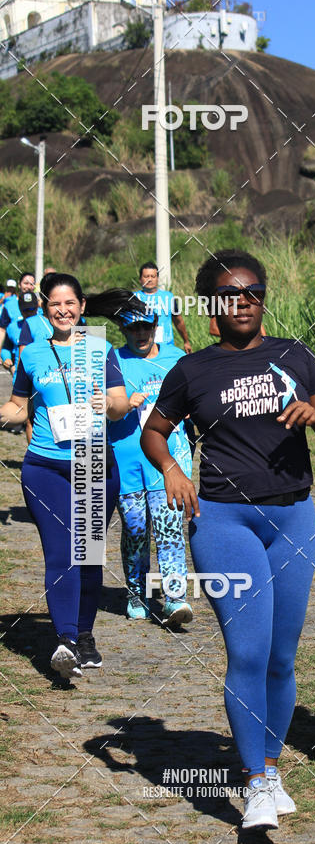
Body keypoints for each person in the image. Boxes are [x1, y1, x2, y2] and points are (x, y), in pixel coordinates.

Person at [140, 248, 315, 830]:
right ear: (213, 304)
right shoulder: (192, 370)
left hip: (293, 519)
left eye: (253, 291)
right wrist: (172, 469)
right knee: (248, 652)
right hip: (223, 521)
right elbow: (154, 432)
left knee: (281, 657)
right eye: (231, 294)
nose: (244, 301)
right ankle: (254, 783)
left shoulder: (295, 356)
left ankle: (272, 768)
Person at [0, 275, 133, 680]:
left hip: (93, 462)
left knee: (88, 554)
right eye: (55, 304)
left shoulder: (99, 348)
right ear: (45, 308)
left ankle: (85, 634)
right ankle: (66, 640)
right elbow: (18, 408)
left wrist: (107, 403)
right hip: (45, 466)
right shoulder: (32, 353)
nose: (63, 310)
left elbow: (121, 405)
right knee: (61, 551)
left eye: (70, 303)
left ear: (81, 305)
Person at [109, 304, 194, 626]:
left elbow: (195, 397)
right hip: (126, 457)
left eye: (146, 326)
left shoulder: (176, 358)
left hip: (168, 459)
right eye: (133, 328)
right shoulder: (112, 360)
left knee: (169, 528)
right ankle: (136, 592)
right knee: (135, 530)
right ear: (123, 330)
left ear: (156, 325)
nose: (141, 333)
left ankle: (175, 598)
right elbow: (99, 405)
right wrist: (120, 405)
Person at [134, 261, 192, 354]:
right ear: (140, 279)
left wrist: (186, 341)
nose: (150, 279)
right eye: (146, 276)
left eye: (153, 276)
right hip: (141, 349)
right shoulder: (134, 298)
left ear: (157, 278)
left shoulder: (168, 297)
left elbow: (178, 321)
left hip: (166, 348)